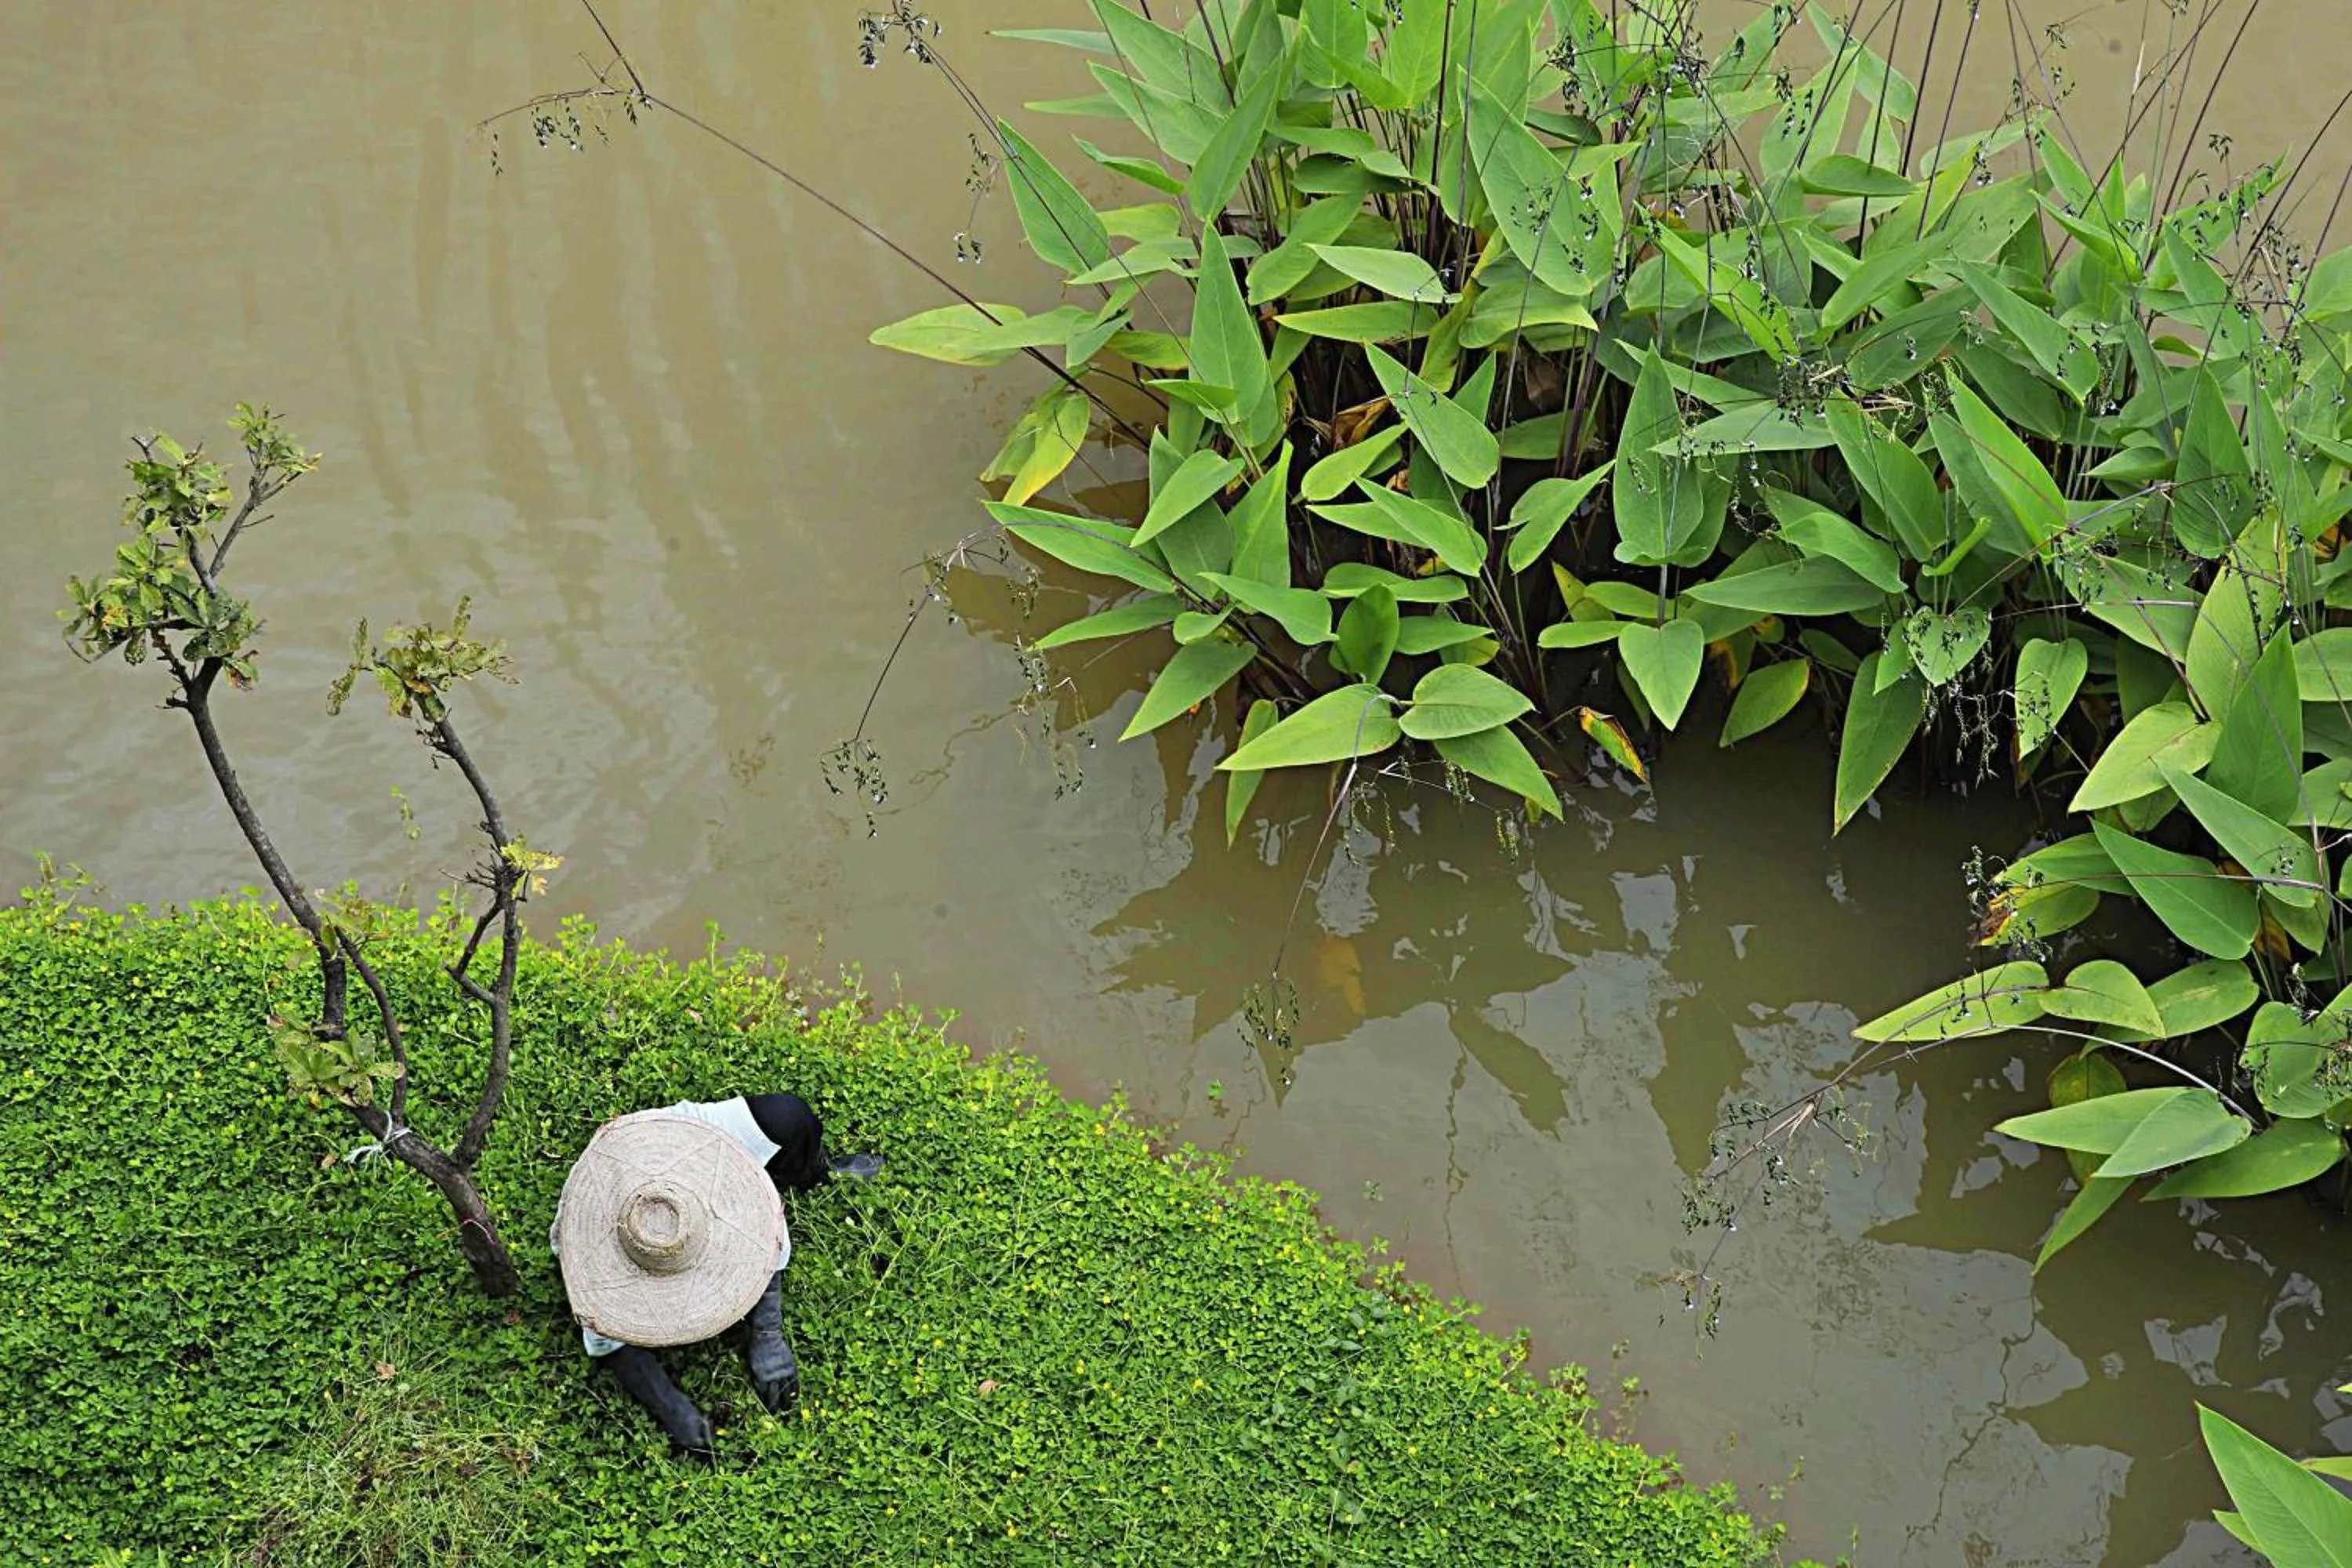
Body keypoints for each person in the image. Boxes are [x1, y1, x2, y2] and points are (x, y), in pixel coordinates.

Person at [550, 1091, 880, 1455]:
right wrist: (673, 1410)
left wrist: (767, 1334)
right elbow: (606, 1341)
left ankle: (815, 1170)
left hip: (670, 1153)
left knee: (789, 1116)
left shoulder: (705, 1135)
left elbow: (771, 1241)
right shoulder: (588, 1261)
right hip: (622, 1198)